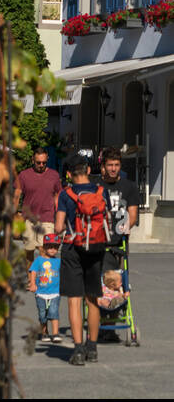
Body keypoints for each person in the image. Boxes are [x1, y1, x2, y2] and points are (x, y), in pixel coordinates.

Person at [56, 154, 108, 366]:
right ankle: (92, 348)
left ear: (69, 173)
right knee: (93, 298)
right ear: (87, 170)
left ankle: (78, 350)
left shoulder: (65, 194)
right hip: (96, 248)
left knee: (74, 300)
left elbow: (59, 227)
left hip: (72, 248)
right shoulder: (101, 191)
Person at [91, 147, 140, 342]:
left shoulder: (129, 187)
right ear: (103, 167)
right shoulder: (96, 186)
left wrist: (128, 226)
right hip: (99, 242)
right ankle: (104, 326)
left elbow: (133, 213)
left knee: (117, 283)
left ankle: (110, 323)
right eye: (110, 165)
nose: (113, 168)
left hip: (119, 243)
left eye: (116, 165)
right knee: (102, 283)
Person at [15, 147, 61, 254]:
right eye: (38, 162)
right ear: (32, 160)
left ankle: (44, 271)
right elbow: (17, 194)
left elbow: (58, 194)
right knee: (29, 253)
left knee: (45, 252)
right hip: (28, 220)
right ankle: (30, 271)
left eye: (44, 163)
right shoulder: (24, 175)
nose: (41, 165)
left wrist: (59, 215)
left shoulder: (54, 175)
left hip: (47, 219)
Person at [28, 233, 63, 346]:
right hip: (41, 292)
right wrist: (33, 284)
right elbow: (33, 272)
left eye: (55, 247)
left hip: (55, 292)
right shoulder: (39, 260)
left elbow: (64, 273)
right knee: (42, 315)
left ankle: (55, 333)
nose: (53, 250)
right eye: (50, 247)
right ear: (44, 247)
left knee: (54, 312)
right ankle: (45, 332)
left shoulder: (58, 261)